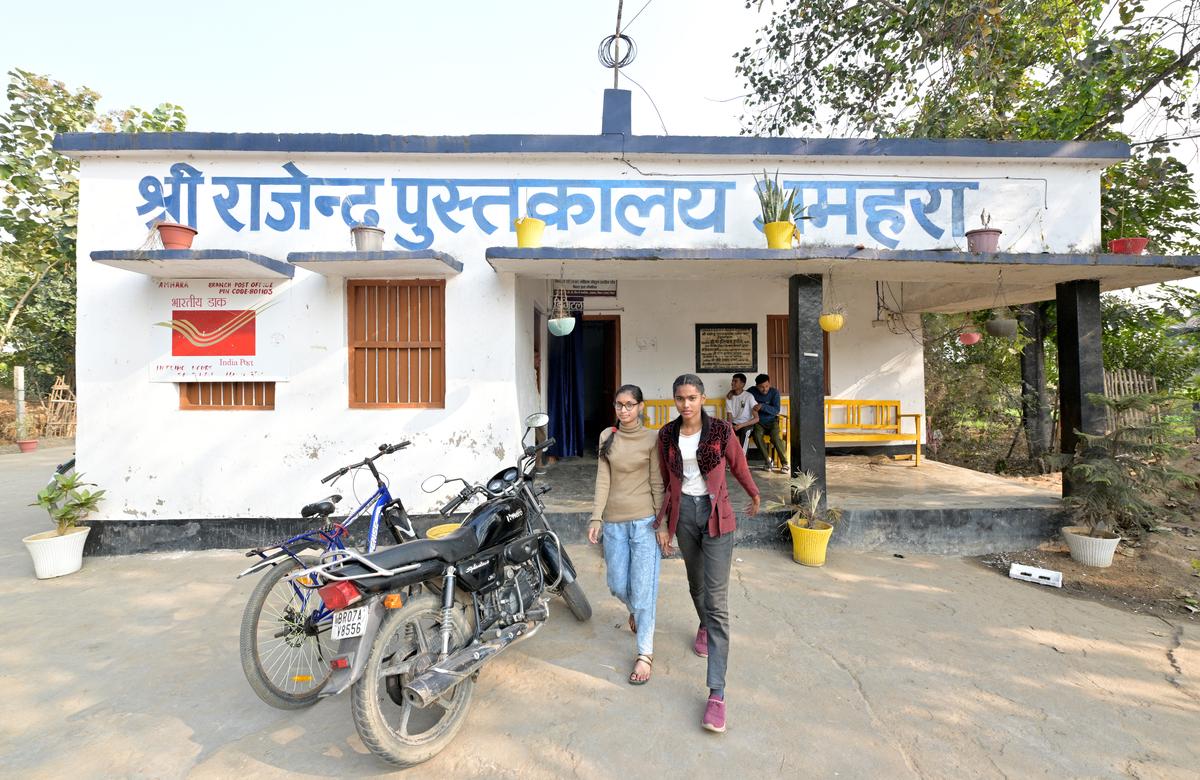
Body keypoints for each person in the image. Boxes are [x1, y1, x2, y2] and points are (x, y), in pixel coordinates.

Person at [655, 374, 760, 733]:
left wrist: (754, 493)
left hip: (717, 518)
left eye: (692, 397)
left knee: (717, 603)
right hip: (684, 516)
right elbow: (667, 482)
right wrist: (664, 524)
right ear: (675, 400)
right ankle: (702, 624)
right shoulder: (666, 435)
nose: (686, 404)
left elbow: (738, 465)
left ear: (702, 399)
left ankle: (717, 693)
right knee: (695, 585)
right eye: (680, 398)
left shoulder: (720, 431)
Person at [588, 384, 664, 685]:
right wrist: (596, 517)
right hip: (614, 523)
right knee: (617, 583)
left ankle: (645, 653)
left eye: (630, 404)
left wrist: (664, 525)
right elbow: (602, 478)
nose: (624, 410)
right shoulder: (607, 436)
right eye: (620, 404)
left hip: (645, 522)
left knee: (644, 589)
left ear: (641, 407)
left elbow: (657, 483)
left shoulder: (652, 439)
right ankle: (635, 610)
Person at [748, 373, 787, 472]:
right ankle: (768, 461)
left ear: (769, 384)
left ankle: (785, 463)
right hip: (758, 422)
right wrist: (731, 392)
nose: (765, 389)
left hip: (772, 421)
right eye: (761, 387)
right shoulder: (751, 391)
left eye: (767, 386)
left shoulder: (774, 393)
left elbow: (776, 410)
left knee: (776, 438)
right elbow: (741, 395)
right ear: (757, 386)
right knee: (756, 435)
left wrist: (762, 406)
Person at [724, 372, 759, 447]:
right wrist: (730, 427)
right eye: (732, 381)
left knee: (744, 432)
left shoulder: (749, 396)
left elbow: (756, 419)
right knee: (725, 431)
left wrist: (741, 425)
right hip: (734, 424)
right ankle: (729, 457)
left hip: (746, 424)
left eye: (735, 381)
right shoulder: (729, 397)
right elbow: (729, 416)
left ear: (742, 384)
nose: (732, 383)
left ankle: (743, 458)